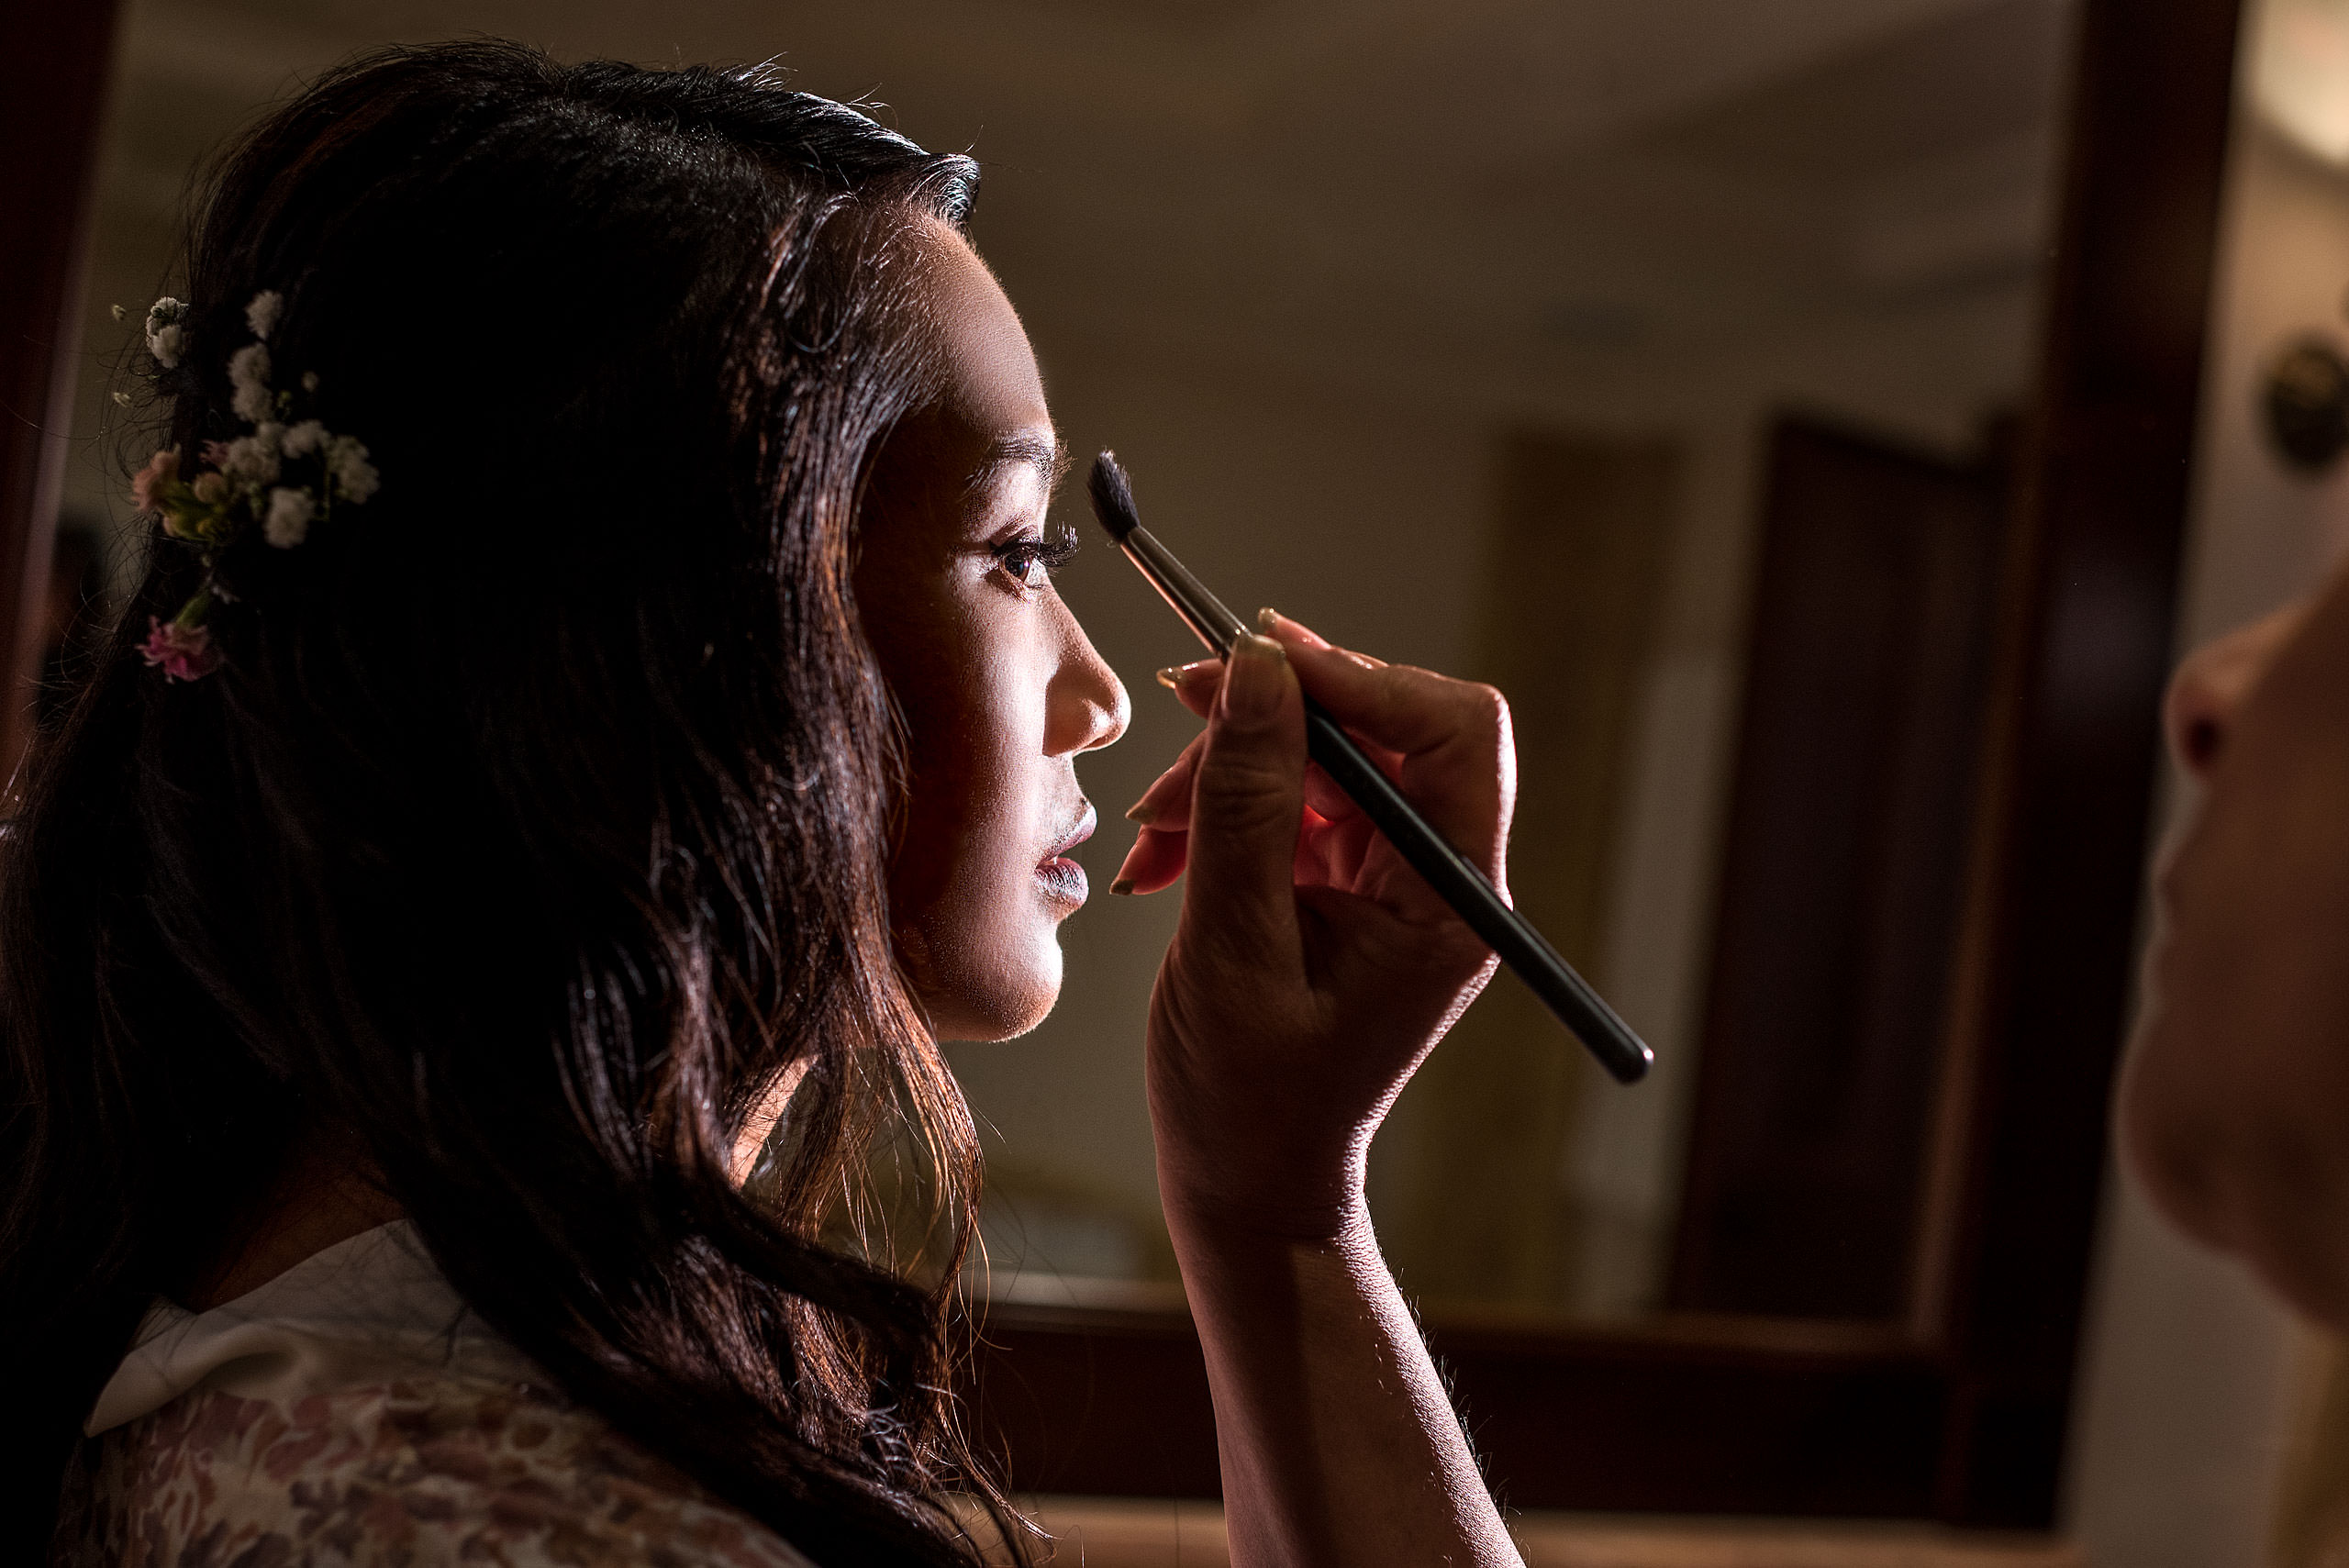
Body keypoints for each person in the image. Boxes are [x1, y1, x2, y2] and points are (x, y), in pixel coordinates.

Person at [0, 40, 1525, 1568]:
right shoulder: (552, 1530)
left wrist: (1277, 1204)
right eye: (1015, 553)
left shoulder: (258, 1355)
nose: (1105, 697)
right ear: (680, 638)